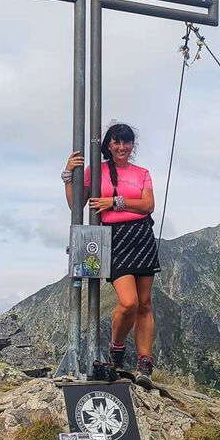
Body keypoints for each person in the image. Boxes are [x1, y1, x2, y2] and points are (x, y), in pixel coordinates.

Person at [62, 122, 160, 386]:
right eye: (116, 142)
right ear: (108, 145)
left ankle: (144, 364)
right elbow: (76, 204)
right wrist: (68, 175)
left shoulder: (142, 173)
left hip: (141, 236)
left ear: (132, 145)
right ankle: (116, 349)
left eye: (126, 142)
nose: (122, 147)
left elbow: (148, 205)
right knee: (129, 302)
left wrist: (114, 202)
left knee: (145, 303)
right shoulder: (97, 171)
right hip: (113, 238)